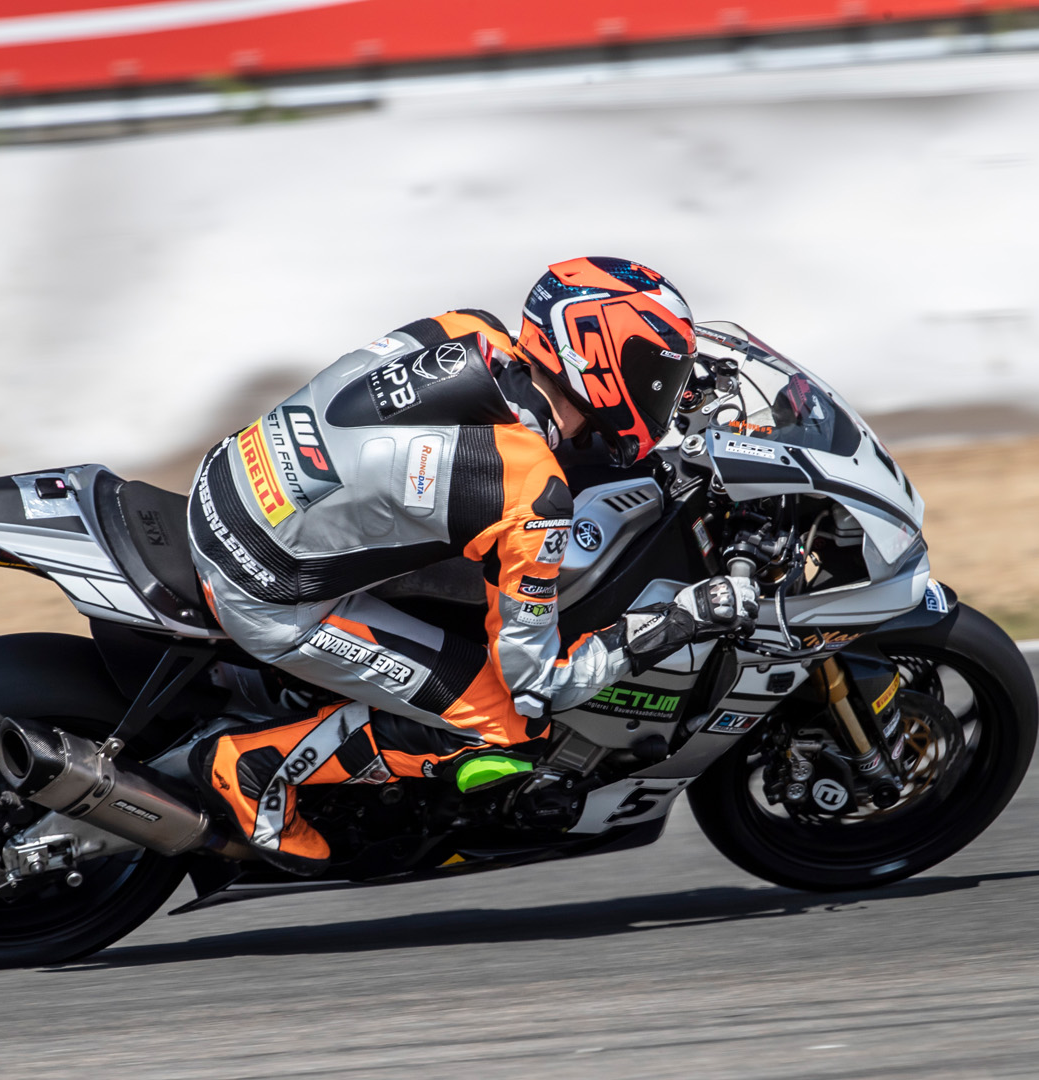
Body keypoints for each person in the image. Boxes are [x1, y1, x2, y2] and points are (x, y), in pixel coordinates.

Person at [187, 256, 759, 874]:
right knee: (511, 727)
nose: (665, 390)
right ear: (602, 364)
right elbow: (541, 682)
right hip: (263, 591)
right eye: (659, 375)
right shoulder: (529, 491)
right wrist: (680, 619)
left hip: (226, 483)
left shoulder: (470, 327)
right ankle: (258, 764)